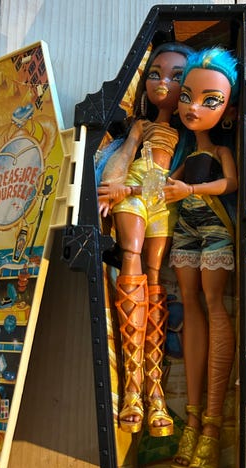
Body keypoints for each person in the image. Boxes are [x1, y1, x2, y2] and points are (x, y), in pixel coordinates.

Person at [97, 42, 192, 437]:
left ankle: (155, 392)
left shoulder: (188, 133)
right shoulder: (141, 125)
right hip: (136, 192)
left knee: (155, 277)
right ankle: (133, 389)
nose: (163, 82)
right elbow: (124, 159)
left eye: (175, 76)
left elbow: (179, 180)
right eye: (155, 74)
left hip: (160, 199)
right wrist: (115, 187)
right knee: (132, 257)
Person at [164, 47, 239, 468]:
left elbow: (230, 183)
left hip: (213, 226)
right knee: (190, 304)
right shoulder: (184, 155)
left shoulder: (220, 151)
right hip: (186, 230)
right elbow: (164, 184)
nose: (193, 108)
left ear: (228, 111)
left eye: (210, 101)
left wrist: (189, 192)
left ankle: (212, 425)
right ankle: (191, 419)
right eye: (187, 97)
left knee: (213, 305)